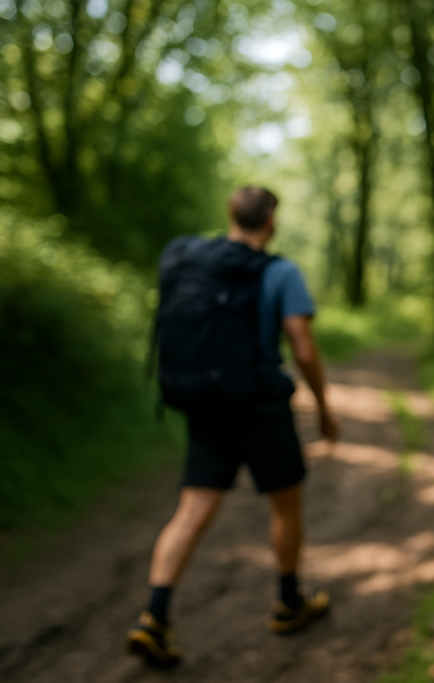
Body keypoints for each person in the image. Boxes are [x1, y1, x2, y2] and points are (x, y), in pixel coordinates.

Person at [126, 187, 339, 668]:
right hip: (262, 407)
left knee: (193, 508)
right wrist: (324, 408)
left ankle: (154, 616)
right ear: (272, 221)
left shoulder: (193, 261)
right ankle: (288, 602)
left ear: (231, 216)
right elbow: (303, 349)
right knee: (285, 503)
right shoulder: (279, 272)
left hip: (207, 406)